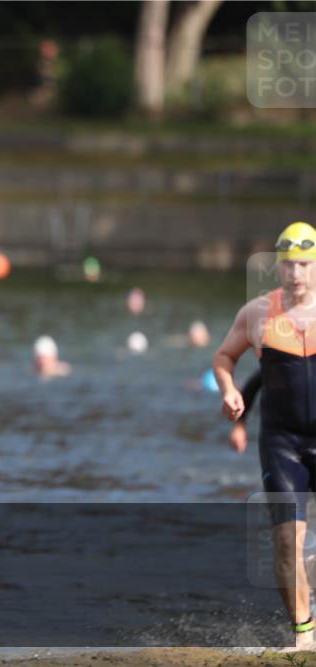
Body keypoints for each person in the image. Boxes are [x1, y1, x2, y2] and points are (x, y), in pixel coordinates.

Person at [213, 221, 316, 652]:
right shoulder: (258, 313)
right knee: (285, 542)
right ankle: (305, 635)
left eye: (304, 264)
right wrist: (230, 390)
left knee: (301, 556)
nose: (295, 273)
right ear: (278, 267)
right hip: (283, 444)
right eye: (289, 264)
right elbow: (224, 356)